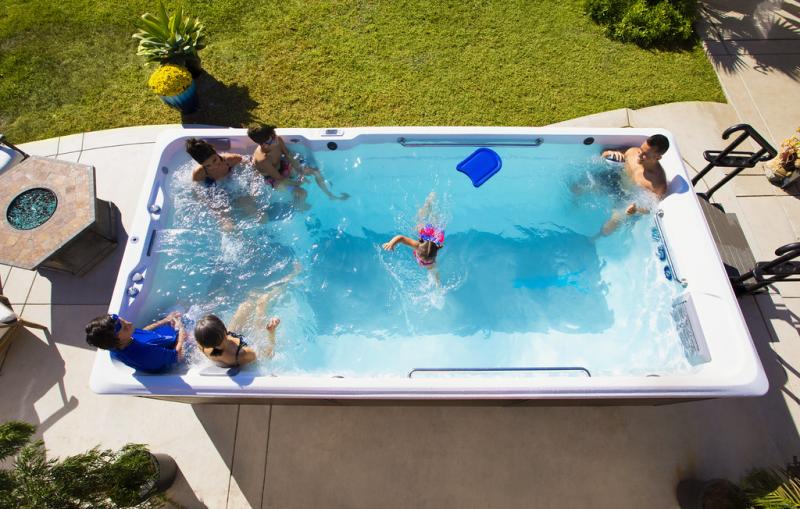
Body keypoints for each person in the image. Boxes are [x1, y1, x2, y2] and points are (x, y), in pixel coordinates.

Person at [193, 262, 299, 368]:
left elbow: (212, 342)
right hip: (244, 344)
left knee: (245, 305)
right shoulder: (243, 354)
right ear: (224, 330)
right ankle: (292, 276)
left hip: (226, 342)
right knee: (262, 301)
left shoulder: (203, 346)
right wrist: (271, 332)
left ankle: (286, 279)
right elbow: (267, 355)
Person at [247, 124, 349, 208]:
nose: (276, 138)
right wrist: (298, 183)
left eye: (274, 133)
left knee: (314, 171)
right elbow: (279, 179)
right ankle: (299, 207)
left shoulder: (278, 140)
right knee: (302, 193)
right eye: (273, 138)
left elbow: (288, 156)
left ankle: (330, 195)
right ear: (264, 144)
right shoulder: (263, 160)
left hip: (282, 166)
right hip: (272, 179)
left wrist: (300, 171)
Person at [599, 134, 670, 236]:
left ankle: (595, 238)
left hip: (626, 199)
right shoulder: (632, 152)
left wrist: (637, 209)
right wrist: (609, 153)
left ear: (658, 157)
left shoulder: (658, 184)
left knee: (612, 223)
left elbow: (651, 208)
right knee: (580, 187)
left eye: (645, 154)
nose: (639, 155)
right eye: (641, 150)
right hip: (614, 180)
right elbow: (603, 153)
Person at [185, 138, 260, 230]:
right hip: (214, 190)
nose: (214, 166)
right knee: (227, 224)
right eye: (208, 165)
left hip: (232, 183)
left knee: (255, 212)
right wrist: (207, 202)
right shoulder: (199, 173)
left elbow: (251, 165)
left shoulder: (230, 160)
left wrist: (254, 186)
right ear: (202, 165)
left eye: (214, 160)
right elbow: (196, 190)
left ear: (216, 153)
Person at [85, 312, 186, 373]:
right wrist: (180, 330)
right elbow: (178, 356)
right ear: (116, 340)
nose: (130, 323)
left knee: (175, 314)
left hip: (160, 343)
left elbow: (142, 332)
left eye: (124, 321)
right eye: (125, 327)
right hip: (172, 351)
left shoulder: (119, 342)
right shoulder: (144, 353)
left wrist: (165, 320)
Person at [382, 192, 445, 280]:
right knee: (421, 219)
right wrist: (391, 243)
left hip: (431, 236)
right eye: (423, 260)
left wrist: (438, 284)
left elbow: (435, 272)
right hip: (430, 232)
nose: (424, 262)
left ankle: (431, 206)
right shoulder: (417, 245)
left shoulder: (432, 257)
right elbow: (401, 238)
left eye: (426, 261)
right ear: (417, 250)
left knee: (432, 220)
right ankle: (428, 202)